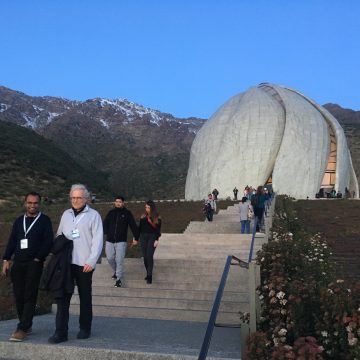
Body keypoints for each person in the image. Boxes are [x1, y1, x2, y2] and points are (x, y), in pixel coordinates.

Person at [48, 184, 103, 344]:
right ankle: (60, 332)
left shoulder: (94, 215)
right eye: (73, 197)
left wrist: (92, 261)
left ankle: (85, 327)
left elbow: (98, 240)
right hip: (66, 264)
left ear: (86, 198)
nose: (75, 200)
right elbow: (59, 234)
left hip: (84, 263)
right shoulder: (66, 214)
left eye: (79, 197)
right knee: (62, 298)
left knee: (85, 297)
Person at [2, 192, 53, 342]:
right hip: (18, 263)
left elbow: (48, 241)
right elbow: (12, 240)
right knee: (19, 295)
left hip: (34, 263)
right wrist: (6, 259)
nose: (32, 205)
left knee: (30, 295)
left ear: (39, 204)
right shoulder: (19, 221)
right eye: (29, 202)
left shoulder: (44, 220)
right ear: (25, 203)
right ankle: (26, 323)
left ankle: (22, 328)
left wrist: (39, 258)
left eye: (35, 203)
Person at [103, 195, 139, 288]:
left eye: (119, 202)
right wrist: (104, 233)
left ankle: (118, 279)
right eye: (116, 201)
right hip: (109, 241)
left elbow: (133, 226)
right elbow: (105, 224)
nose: (118, 203)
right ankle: (116, 271)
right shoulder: (111, 213)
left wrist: (136, 237)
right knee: (110, 258)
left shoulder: (127, 213)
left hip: (121, 241)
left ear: (123, 203)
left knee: (119, 260)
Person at [132, 200, 161, 285]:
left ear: (152, 208)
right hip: (143, 237)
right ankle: (148, 271)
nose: (147, 209)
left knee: (149, 256)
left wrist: (156, 239)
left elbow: (158, 230)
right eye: (146, 207)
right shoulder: (143, 216)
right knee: (145, 257)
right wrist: (136, 238)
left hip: (152, 237)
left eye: (148, 207)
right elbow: (139, 229)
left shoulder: (157, 217)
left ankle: (149, 276)